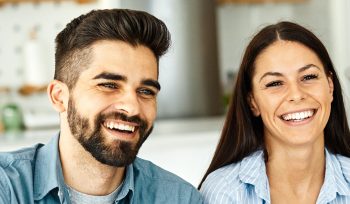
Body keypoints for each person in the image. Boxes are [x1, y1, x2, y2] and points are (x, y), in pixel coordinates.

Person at [0, 9, 203, 204]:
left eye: (146, 91)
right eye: (108, 85)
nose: (132, 108)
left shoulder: (180, 198)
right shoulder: (7, 187)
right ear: (59, 97)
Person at [199, 21, 350, 203]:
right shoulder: (225, 192)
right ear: (253, 101)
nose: (296, 94)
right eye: (275, 83)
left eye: (308, 77)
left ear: (330, 86)